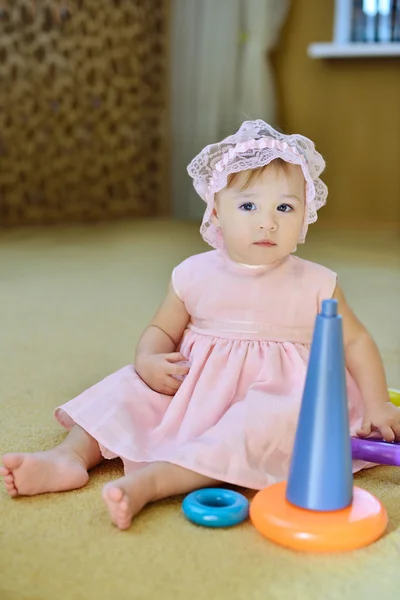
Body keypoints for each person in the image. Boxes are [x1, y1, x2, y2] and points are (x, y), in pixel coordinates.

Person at [2, 120, 399, 531]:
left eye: (285, 207)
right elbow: (161, 330)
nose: (268, 222)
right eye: (248, 206)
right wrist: (149, 359)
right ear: (216, 212)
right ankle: (69, 457)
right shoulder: (193, 274)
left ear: (305, 216)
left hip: (274, 394)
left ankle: (153, 482)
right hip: (193, 387)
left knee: (260, 426)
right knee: (127, 388)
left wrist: (376, 403)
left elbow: (355, 341)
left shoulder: (317, 282)